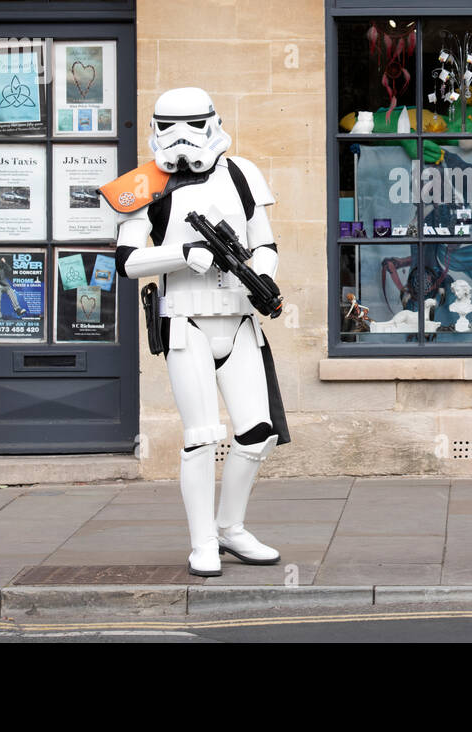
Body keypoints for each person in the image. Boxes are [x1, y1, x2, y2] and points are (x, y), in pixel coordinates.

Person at [100, 87, 288, 576]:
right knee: (202, 436)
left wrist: (261, 276)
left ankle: (231, 527)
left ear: (213, 123)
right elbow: (126, 260)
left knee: (257, 434)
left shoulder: (242, 173)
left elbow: (264, 241)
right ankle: (203, 541)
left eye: (191, 126)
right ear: (155, 129)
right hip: (186, 322)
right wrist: (181, 255)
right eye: (169, 128)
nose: (181, 139)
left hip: (240, 318)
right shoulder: (144, 184)